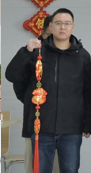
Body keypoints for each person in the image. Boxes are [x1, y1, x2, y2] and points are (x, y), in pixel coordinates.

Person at [5, 8, 91, 173]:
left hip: (71, 128)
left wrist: (89, 122)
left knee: (70, 170)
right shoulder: (37, 51)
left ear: (73, 27)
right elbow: (12, 76)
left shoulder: (82, 55)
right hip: (41, 127)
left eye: (67, 23)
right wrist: (25, 51)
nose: (62, 27)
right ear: (51, 26)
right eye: (58, 23)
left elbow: (88, 91)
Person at [13, 17, 61, 173]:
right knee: (34, 166)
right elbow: (16, 80)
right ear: (49, 28)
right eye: (58, 25)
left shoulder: (66, 52)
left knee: (59, 167)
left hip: (60, 126)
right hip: (36, 120)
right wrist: (31, 99)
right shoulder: (31, 51)